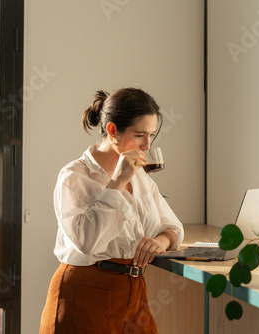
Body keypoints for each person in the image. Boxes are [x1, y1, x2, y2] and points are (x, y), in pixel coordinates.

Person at [39, 87, 184, 333]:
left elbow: (174, 227)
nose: (147, 145)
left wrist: (160, 241)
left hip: (133, 293)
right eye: (140, 135)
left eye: (151, 135)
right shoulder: (74, 177)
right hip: (85, 293)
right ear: (112, 130)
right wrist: (116, 183)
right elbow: (87, 242)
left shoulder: (141, 179)